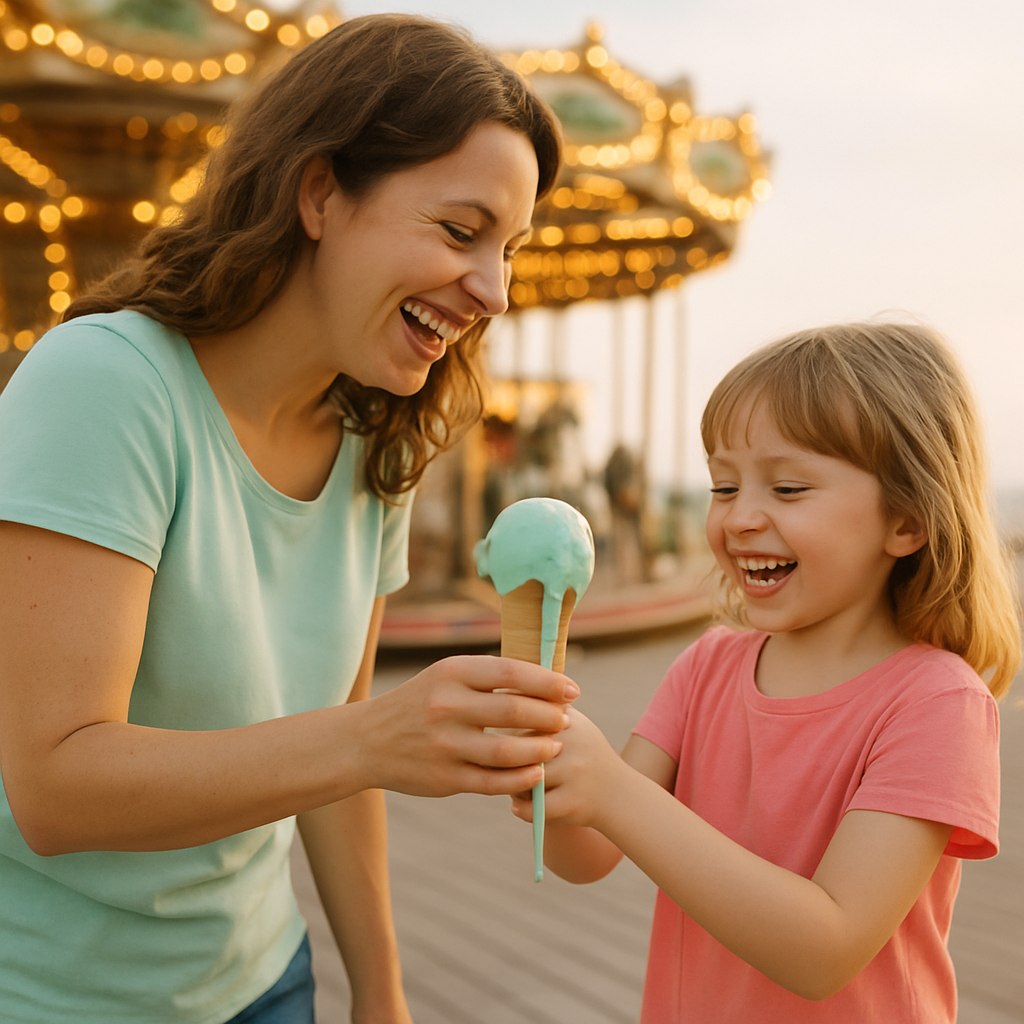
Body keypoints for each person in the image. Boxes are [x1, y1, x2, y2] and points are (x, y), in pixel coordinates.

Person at [0, 15, 571, 1024]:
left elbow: (340, 768)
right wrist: (373, 737)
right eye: (459, 229)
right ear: (319, 193)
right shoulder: (104, 385)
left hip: (266, 981)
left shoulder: (377, 439)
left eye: (509, 249)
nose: (493, 289)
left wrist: (381, 989)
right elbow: (55, 787)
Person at [515, 322, 1020, 1022]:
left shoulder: (937, 704)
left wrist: (612, 793)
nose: (740, 517)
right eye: (723, 486)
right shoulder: (707, 667)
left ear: (905, 519)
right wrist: (550, 774)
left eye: (786, 488)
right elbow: (587, 853)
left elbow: (825, 950)